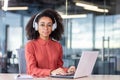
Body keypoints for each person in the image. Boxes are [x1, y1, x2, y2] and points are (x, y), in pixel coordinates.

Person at [25, 8, 75, 77]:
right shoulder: (30, 45)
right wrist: (51, 72)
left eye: (49, 25)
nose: (46, 28)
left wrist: (67, 70)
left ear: (53, 27)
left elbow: (58, 68)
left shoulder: (57, 45)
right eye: (42, 25)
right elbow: (32, 70)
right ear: (36, 27)